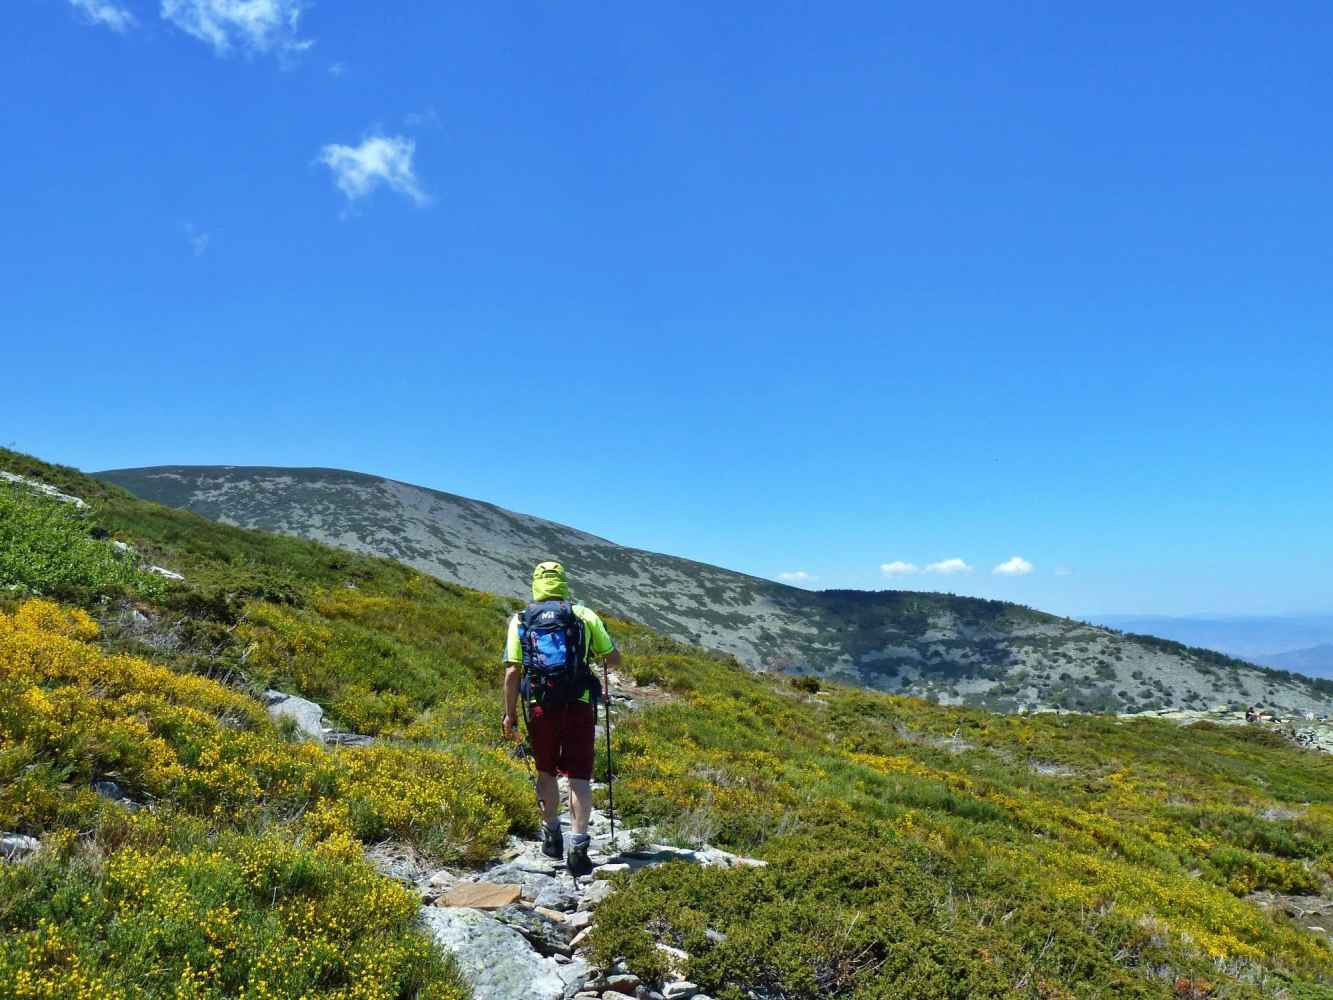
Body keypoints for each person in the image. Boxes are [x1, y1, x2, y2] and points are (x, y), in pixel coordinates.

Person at [502, 561, 619, 876]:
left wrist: (510, 714)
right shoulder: (583, 615)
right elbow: (612, 658)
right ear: (563, 583)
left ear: (536, 584)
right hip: (579, 704)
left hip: (541, 705)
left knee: (545, 771)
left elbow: (513, 670)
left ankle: (552, 836)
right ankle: (578, 847)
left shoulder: (521, 619)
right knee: (579, 776)